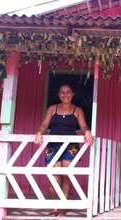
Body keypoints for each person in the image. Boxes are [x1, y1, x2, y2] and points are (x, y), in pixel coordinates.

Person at [35, 83, 94, 216]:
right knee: (54, 177)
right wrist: (39, 132)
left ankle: (63, 206)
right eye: (62, 92)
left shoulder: (77, 110)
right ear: (58, 94)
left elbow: (83, 126)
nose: (65, 94)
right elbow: (44, 124)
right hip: (53, 145)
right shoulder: (52, 108)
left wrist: (87, 132)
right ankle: (56, 206)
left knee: (66, 173)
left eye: (68, 92)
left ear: (72, 94)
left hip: (70, 145)